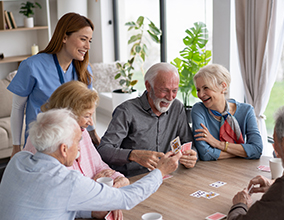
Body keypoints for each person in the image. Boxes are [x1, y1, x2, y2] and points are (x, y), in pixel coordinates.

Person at [0, 109, 181, 219]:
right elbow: (126, 198)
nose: (80, 147)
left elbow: (48, 205)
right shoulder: (67, 180)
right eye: (78, 141)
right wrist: (160, 171)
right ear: (64, 149)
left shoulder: (18, 160)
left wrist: (90, 212)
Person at [23, 81, 128, 219]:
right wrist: (97, 187)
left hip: (92, 207)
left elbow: (100, 167)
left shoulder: (81, 132)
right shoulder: (44, 141)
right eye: (87, 116)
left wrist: (119, 179)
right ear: (69, 114)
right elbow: (62, 196)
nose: (91, 122)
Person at [7, 12, 100, 158]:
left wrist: (92, 132)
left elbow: (87, 107)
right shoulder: (32, 66)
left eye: (90, 41)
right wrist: (16, 146)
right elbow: (18, 108)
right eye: (83, 39)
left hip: (73, 142)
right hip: (43, 143)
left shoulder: (84, 69)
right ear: (64, 37)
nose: (87, 46)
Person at [96, 62, 197, 177]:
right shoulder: (126, 111)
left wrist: (192, 156)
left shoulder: (177, 107)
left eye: (174, 91)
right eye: (164, 90)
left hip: (165, 177)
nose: (170, 97)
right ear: (148, 86)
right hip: (132, 179)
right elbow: (103, 150)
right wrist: (133, 155)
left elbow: (188, 143)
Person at [191, 64, 262, 161]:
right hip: (211, 171)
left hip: (241, 170)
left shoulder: (247, 111)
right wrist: (242, 152)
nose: (200, 94)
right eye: (198, 90)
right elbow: (205, 154)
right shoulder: (199, 110)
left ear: (223, 87)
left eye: (206, 88)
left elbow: (257, 150)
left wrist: (217, 143)